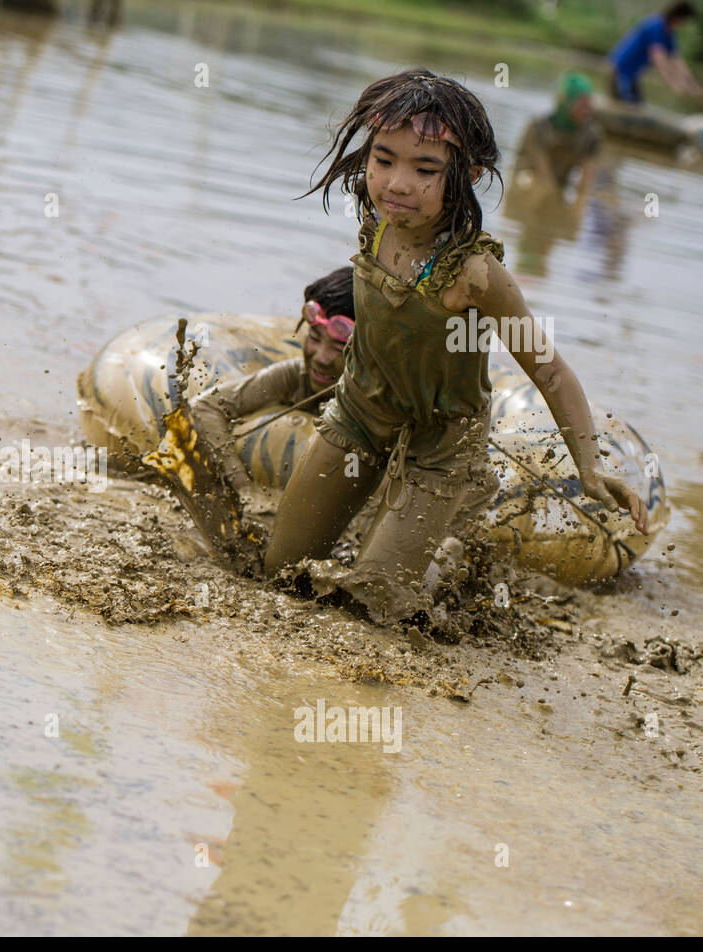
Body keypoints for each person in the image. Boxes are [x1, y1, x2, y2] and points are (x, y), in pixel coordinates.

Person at [253, 68, 648, 623]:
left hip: (441, 444)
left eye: (426, 169)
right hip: (362, 413)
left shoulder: (476, 275)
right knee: (280, 576)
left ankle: (449, 558)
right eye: (384, 159)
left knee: (374, 609)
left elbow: (551, 372)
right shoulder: (376, 222)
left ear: (468, 175)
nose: (397, 184)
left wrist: (587, 468)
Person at [190, 266, 353, 496]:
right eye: (315, 338)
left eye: (338, 348)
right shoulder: (295, 376)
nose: (321, 358)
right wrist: (243, 488)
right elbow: (206, 406)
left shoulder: (379, 407)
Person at [514, 72, 601, 196]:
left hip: (558, 186)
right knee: (529, 181)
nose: (586, 109)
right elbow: (542, 172)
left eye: (588, 104)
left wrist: (576, 210)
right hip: (526, 185)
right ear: (566, 102)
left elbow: (585, 182)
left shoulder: (590, 136)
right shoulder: (539, 128)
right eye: (581, 104)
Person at [608, 2, 703, 104]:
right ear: (679, 17)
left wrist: (693, 86)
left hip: (632, 74)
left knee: (638, 105)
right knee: (627, 105)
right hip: (620, 71)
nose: (684, 25)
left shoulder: (670, 34)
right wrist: (674, 83)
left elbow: (677, 61)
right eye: (685, 21)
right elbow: (659, 59)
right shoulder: (656, 25)